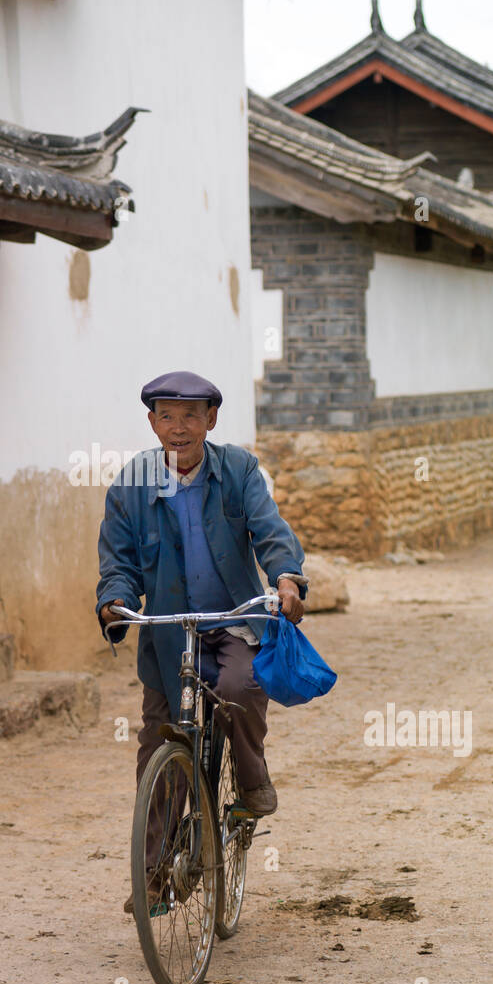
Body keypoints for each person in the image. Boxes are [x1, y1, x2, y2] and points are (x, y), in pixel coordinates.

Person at [95, 370, 308, 914]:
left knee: (239, 687)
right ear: (152, 422)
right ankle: (154, 877)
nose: (178, 427)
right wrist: (114, 601)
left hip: (232, 619)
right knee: (159, 744)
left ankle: (253, 783)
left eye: (191, 415)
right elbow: (117, 562)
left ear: (211, 420)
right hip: (169, 634)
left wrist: (285, 578)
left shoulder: (236, 469)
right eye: (166, 415)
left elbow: (270, 531)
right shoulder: (133, 483)